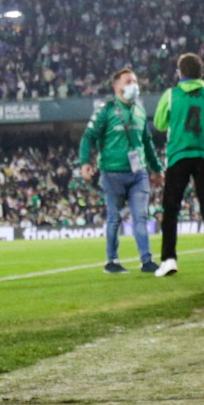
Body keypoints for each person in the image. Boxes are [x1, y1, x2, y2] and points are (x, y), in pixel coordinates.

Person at [76, 66, 162, 274]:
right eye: (128, 82)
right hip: (112, 173)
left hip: (138, 173)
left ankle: (146, 260)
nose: (134, 85)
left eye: (135, 81)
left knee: (140, 216)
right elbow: (88, 137)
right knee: (115, 218)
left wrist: (157, 169)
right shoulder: (106, 111)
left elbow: (147, 143)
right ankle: (112, 261)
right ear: (117, 88)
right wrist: (85, 162)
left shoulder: (140, 111)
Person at [152, 52, 204, 276]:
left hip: (178, 156)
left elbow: (159, 124)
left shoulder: (171, 95)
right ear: (201, 73)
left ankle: (169, 259)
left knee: (171, 209)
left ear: (180, 72)